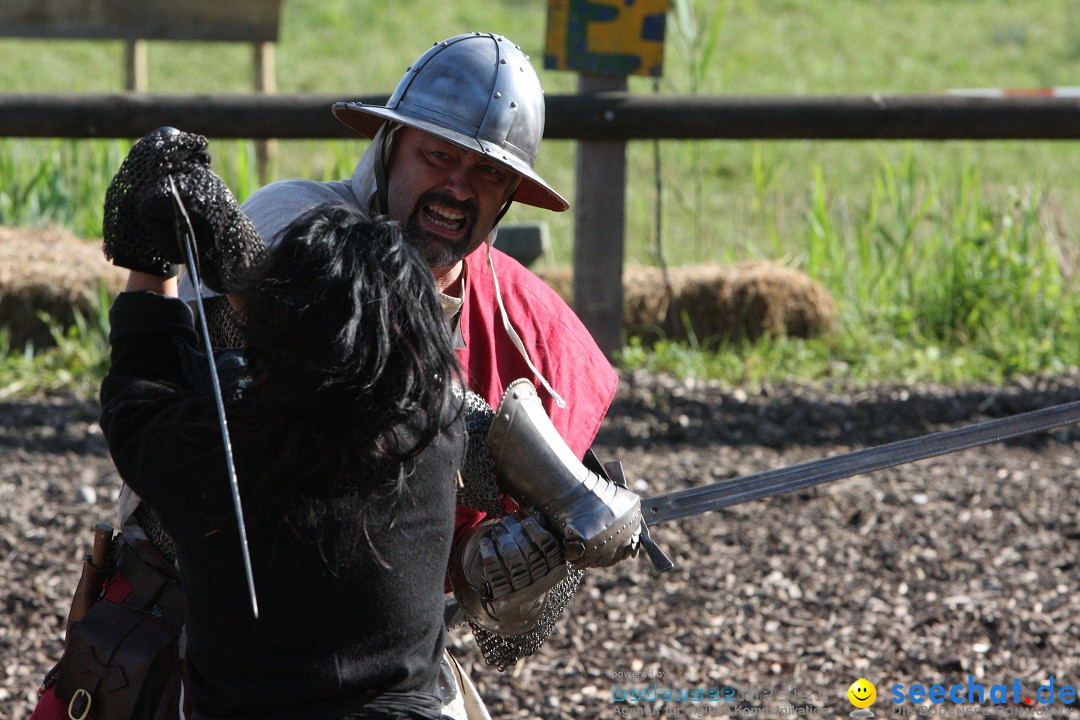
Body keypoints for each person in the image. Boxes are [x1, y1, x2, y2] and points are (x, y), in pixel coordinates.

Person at [101, 197, 467, 719]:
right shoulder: (435, 435)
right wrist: (240, 267)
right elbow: (334, 345)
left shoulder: (218, 453)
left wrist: (155, 257)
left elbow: (140, 388)